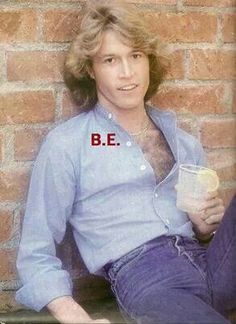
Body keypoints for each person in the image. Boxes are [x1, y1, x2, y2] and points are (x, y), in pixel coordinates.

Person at [15, 1, 236, 323]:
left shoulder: (183, 141)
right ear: (90, 69)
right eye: (110, 60)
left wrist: (205, 228)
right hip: (149, 280)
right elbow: (36, 251)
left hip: (211, 263)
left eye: (136, 56)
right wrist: (76, 317)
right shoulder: (69, 144)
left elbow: (205, 229)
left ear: (149, 61)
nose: (128, 72)